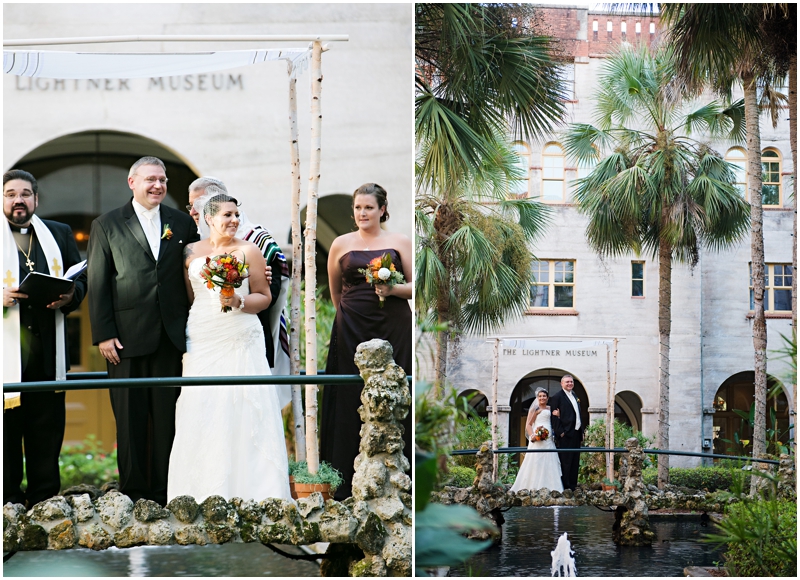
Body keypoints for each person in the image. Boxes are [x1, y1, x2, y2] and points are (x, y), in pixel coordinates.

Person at [87, 156, 199, 506]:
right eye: (151, 179)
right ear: (132, 182)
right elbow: (98, 281)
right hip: (125, 338)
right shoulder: (106, 224)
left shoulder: (181, 224)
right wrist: (104, 333)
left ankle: (167, 492)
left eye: (163, 180)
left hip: (171, 336)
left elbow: (192, 277)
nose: (158, 186)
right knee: (131, 420)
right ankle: (134, 494)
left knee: (168, 416)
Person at [167, 193, 291, 502]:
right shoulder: (190, 251)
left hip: (240, 333)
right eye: (227, 215)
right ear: (208, 219)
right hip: (203, 334)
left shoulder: (250, 251)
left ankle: (256, 492)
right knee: (203, 404)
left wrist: (239, 300)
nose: (234, 220)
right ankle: (197, 492)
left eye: (237, 214)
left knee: (245, 402)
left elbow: (264, 296)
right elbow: (190, 297)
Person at [320, 183, 413, 500]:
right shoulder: (340, 244)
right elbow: (335, 290)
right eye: (358, 208)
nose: (362, 213)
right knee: (349, 396)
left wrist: (392, 291)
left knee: (396, 394)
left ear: (382, 209)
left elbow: (414, 286)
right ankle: (345, 485)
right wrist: (347, 314)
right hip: (351, 329)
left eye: (369, 208)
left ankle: (399, 479)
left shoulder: (399, 241)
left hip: (394, 324)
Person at [3, 170, 88, 508]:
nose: (18, 200)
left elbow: (79, 279)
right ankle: (7, 499)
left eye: (25, 193)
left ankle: (44, 501)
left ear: (36, 199)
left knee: (46, 429)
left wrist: (70, 297)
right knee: (6, 433)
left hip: (48, 352)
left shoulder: (59, 233)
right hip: (6, 356)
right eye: (10, 194)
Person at [187, 177, 291, 379]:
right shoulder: (194, 241)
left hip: (244, 335)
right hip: (204, 332)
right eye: (189, 205)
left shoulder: (257, 239)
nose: (192, 212)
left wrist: (243, 289)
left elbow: (272, 291)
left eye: (196, 205)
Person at [509, 387, 563, 493]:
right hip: (537, 439)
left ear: (547, 398)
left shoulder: (551, 409)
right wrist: (533, 435)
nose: (542, 398)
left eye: (544, 396)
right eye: (540, 396)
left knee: (550, 461)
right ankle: (532, 487)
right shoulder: (535, 409)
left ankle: (553, 488)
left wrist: (559, 415)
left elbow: (555, 421)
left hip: (548, 440)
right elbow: (528, 425)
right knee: (535, 461)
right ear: (537, 398)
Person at [549, 374, 586, 491]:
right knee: (566, 461)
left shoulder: (574, 395)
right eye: (567, 382)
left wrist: (581, 431)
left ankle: (573, 486)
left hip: (576, 433)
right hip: (566, 434)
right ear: (562, 384)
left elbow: (578, 415)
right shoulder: (557, 397)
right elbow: (553, 417)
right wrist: (561, 432)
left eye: (571, 382)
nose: (570, 384)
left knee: (575, 460)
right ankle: (566, 487)